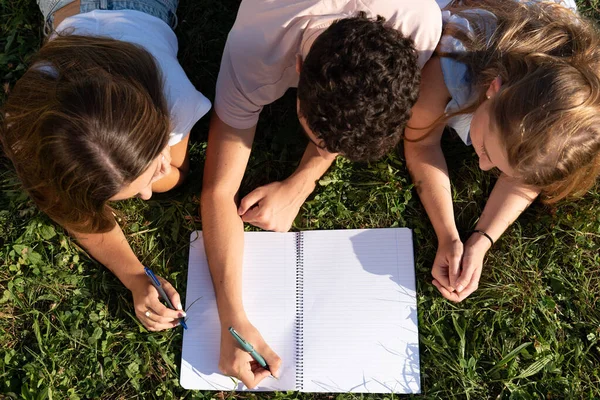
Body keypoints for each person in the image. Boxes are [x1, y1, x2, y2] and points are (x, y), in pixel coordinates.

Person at [200, 0, 443, 389]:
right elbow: (217, 191)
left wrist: (303, 180)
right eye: (321, 140)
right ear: (298, 69)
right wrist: (232, 319)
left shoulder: (419, 23)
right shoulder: (254, 46)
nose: (327, 150)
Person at [1, 0, 211, 331]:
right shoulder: (25, 127)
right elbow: (72, 209)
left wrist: (159, 175)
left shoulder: (175, 98)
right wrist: (134, 275)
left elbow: (176, 176)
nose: (146, 195)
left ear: (161, 124)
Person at [404, 0, 600, 302]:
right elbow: (420, 142)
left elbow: (527, 174)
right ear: (494, 88)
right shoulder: (454, 62)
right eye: (484, 149)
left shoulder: (565, 128)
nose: (483, 166)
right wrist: (447, 234)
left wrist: (481, 240)